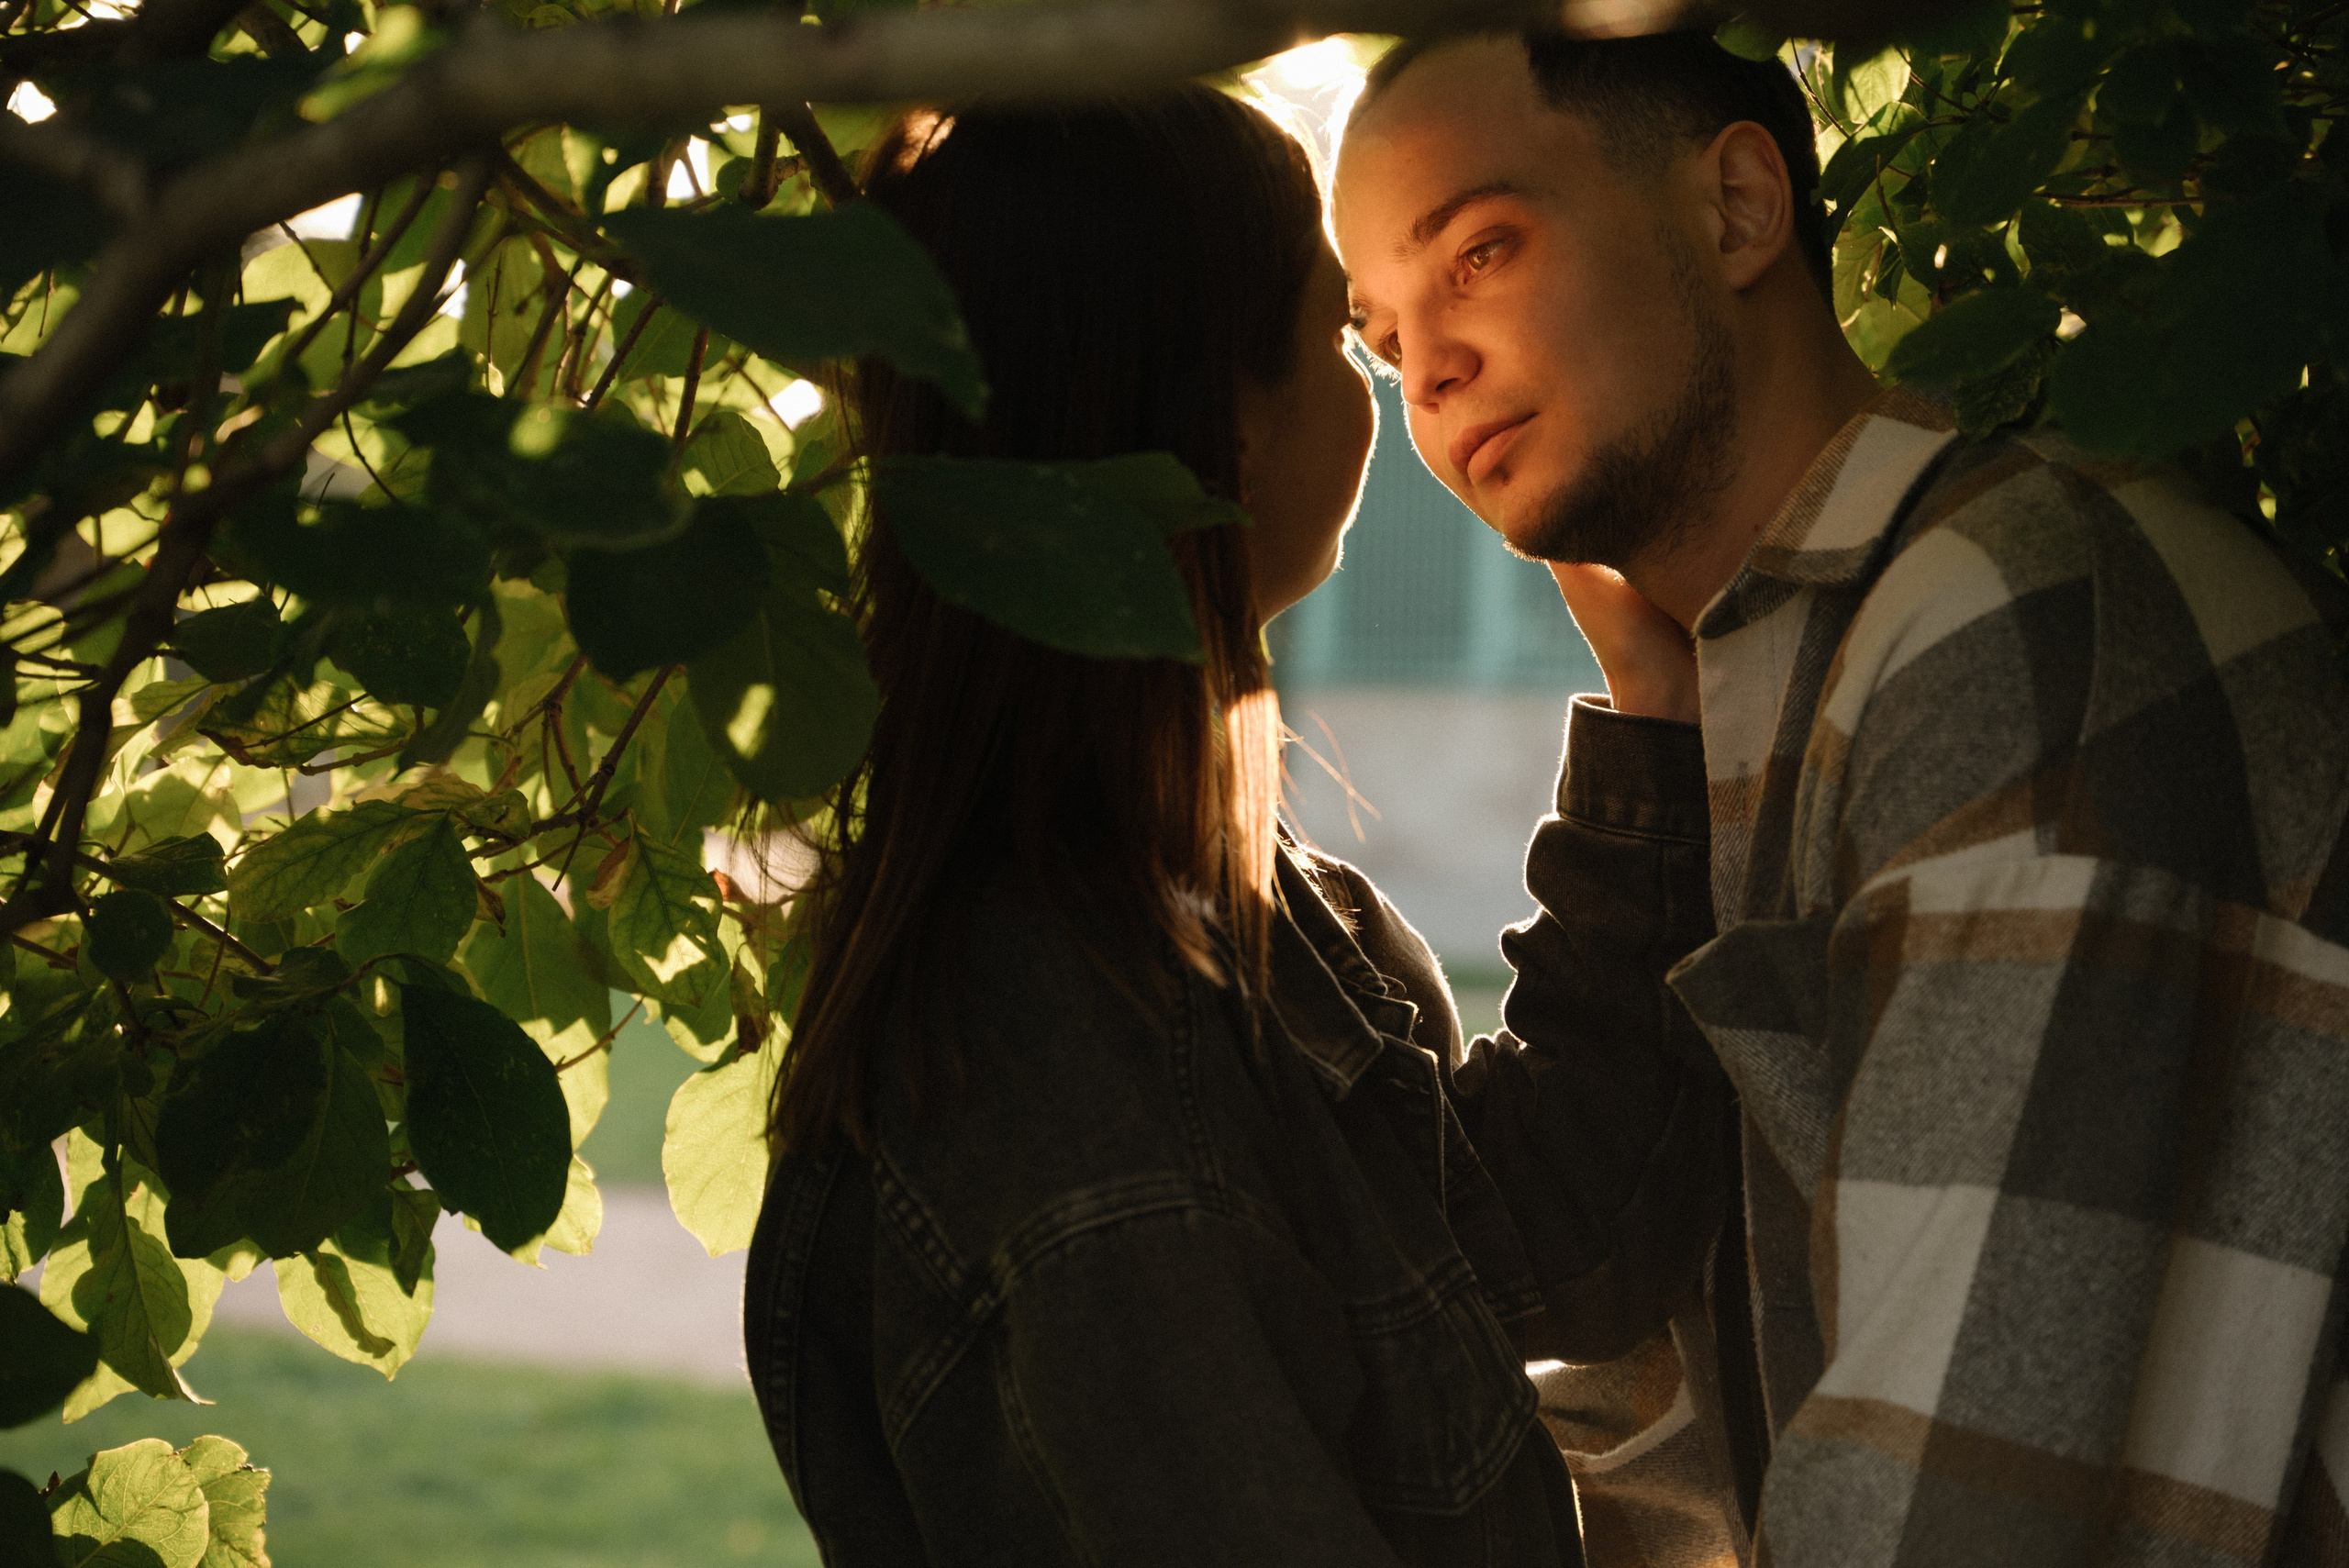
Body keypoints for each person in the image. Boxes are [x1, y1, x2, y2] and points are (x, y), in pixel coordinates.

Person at [1332, 25, 2349, 1568]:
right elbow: (1708, 1397)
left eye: (1480, 250)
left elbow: (1958, 1501)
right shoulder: (1800, 658)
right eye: (1382, 337)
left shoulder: (2005, 623)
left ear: (1741, 207)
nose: (1430, 371)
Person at [741, 87, 1634, 1566]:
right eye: (1346, 336)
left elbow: (1557, 1243)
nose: (1395, 385)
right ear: (1226, 421)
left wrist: (1650, 716)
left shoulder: (1234, 911)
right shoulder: (1061, 1068)